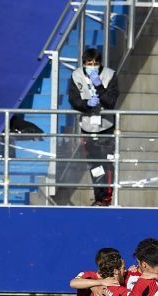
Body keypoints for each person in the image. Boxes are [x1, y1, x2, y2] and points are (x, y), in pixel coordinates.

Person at [69, 47, 120, 206]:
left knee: (107, 164)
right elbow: (74, 100)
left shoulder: (110, 75)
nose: (92, 66)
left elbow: (111, 101)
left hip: (106, 127)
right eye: (89, 63)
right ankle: (99, 197)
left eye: (95, 63)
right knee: (94, 165)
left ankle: (108, 198)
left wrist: (99, 86)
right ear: (84, 63)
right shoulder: (76, 75)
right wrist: (87, 105)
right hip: (87, 127)